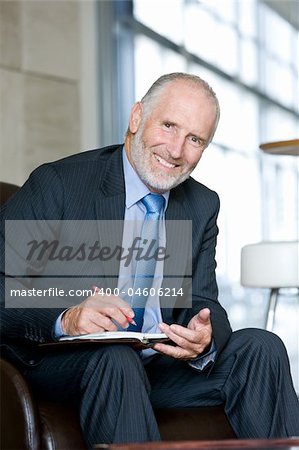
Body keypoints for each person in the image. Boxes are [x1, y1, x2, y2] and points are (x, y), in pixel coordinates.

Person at [1, 73, 298, 448]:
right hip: (68, 362)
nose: (176, 150)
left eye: (195, 139)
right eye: (169, 125)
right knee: (114, 358)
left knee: (262, 347)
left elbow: (204, 300)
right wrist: (67, 317)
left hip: (155, 362)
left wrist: (203, 338)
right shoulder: (59, 184)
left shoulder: (201, 204)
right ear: (137, 117)